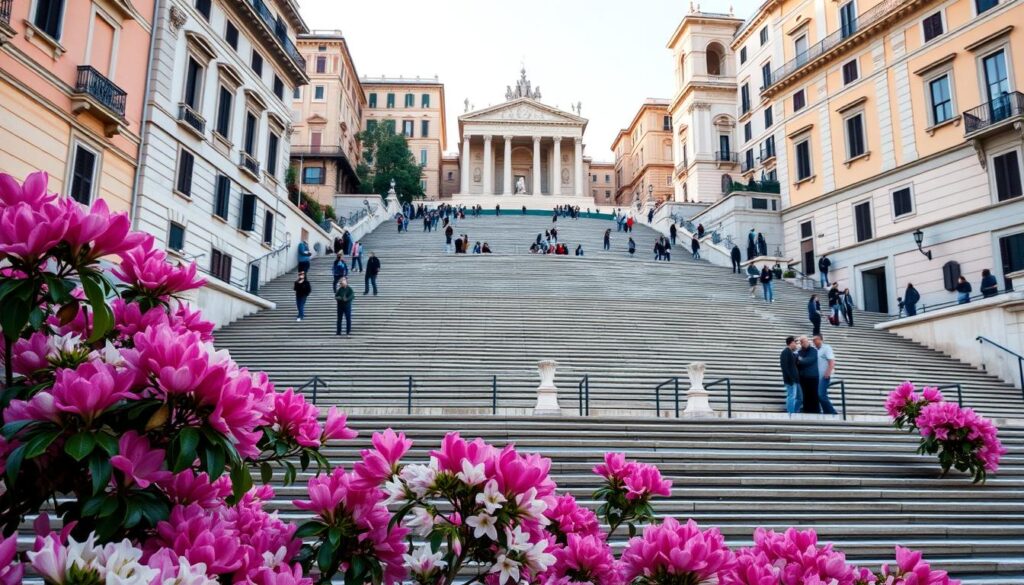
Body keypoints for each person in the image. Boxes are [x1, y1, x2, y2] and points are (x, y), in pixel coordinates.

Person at [812, 335, 838, 415]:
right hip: (819, 377)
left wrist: (828, 372)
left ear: (820, 340)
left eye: (815, 340)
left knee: (821, 394)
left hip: (825, 376)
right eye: (813, 340)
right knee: (820, 395)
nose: (813, 342)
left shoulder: (826, 348)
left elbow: (832, 361)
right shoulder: (816, 350)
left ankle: (832, 413)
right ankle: (827, 412)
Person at [796, 337, 821, 414]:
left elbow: (808, 361)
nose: (804, 343)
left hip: (812, 377)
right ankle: (806, 409)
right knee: (805, 395)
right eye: (802, 342)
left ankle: (816, 410)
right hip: (803, 377)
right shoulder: (799, 352)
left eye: (805, 341)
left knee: (813, 394)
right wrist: (800, 360)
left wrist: (799, 360)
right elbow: (797, 362)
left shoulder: (813, 351)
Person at [780, 336, 802, 414]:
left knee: (799, 397)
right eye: (795, 343)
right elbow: (784, 366)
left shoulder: (791, 353)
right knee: (791, 396)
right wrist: (790, 379)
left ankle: (794, 412)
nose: (796, 345)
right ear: (791, 343)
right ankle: (790, 413)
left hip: (795, 379)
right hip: (791, 380)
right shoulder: (785, 352)